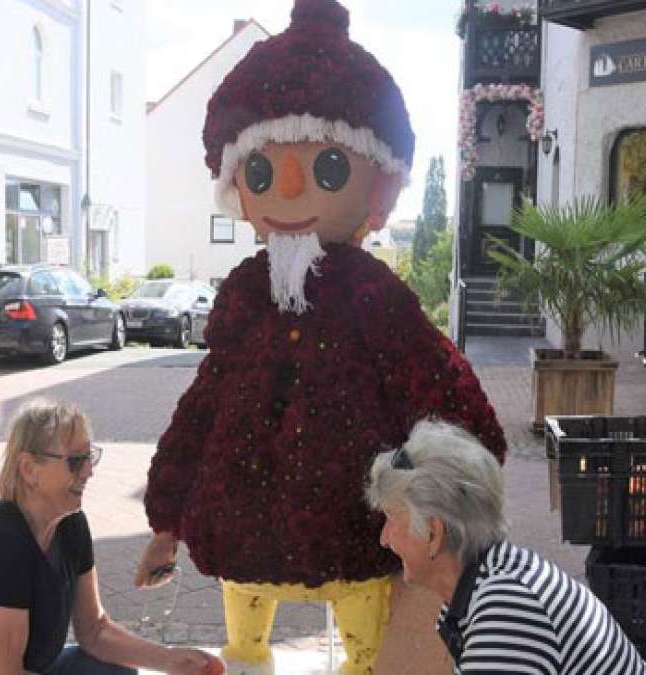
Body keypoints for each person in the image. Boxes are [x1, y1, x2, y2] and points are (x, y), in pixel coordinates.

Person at [135, 2, 507, 673]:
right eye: (261, 170)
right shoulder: (247, 298)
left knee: (368, 645)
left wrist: (465, 474)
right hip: (247, 529)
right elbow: (201, 407)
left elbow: (435, 378)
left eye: (330, 168)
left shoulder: (374, 297)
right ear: (238, 187)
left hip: (351, 527)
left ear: (379, 184)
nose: (293, 185)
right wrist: (167, 518)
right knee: (245, 648)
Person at [0, 400, 221, 675]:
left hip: (26, 665)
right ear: (29, 470)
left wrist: (171, 660)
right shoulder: (1, 547)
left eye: (89, 457)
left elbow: (94, 630)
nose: (88, 471)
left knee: (116, 668)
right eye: (75, 461)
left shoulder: (71, 524)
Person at [365, 419, 646, 675]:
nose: (384, 538)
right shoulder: (495, 580)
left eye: (391, 519)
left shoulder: (507, 610)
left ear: (433, 533)